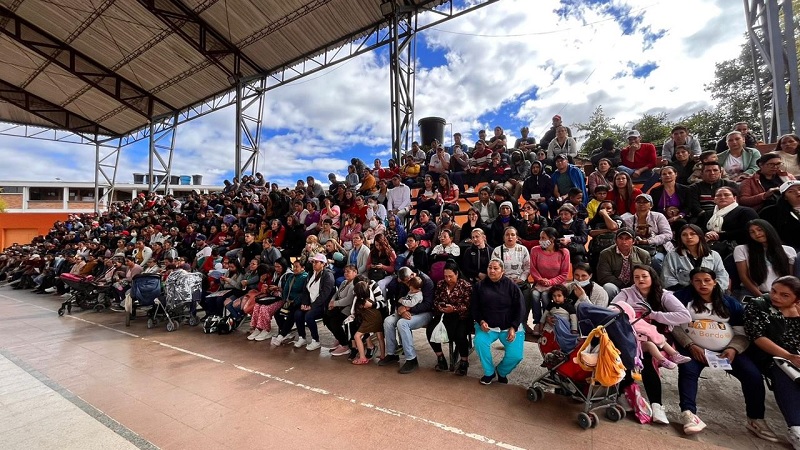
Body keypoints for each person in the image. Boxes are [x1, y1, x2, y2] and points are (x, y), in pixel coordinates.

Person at [671, 268, 760, 436]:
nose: (702, 284)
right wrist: (690, 345)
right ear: (691, 282)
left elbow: (742, 333)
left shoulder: (730, 303)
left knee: (752, 375)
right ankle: (689, 414)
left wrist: (733, 349)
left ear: (715, 281)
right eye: (697, 281)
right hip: (694, 349)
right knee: (688, 370)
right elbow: (674, 326)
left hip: (725, 352)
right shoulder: (682, 299)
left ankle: (756, 419)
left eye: (707, 280)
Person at [613, 264, 691, 425]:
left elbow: (685, 316)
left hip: (658, 337)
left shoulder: (663, 295)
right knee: (624, 351)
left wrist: (655, 315)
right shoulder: (627, 293)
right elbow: (613, 309)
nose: (640, 280)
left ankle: (657, 405)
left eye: (644, 276)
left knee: (647, 358)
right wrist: (628, 315)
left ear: (652, 277)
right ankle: (625, 393)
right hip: (631, 335)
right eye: (636, 277)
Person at [743, 276, 800, 448]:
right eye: (774, 291)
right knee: (784, 371)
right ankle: (796, 429)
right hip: (765, 355)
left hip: (795, 355)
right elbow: (757, 337)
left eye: (785, 295)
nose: (775, 297)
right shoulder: (759, 304)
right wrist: (789, 357)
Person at [472, 258, 527, 385]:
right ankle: (489, 372)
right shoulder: (479, 286)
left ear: (502, 271)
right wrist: (480, 321)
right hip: (488, 327)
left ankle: (501, 371)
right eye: (490, 268)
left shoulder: (512, 286)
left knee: (516, 356)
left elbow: (521, 308)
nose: (492, 271)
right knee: (479, 342)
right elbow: (475, 307)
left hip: (509, 327)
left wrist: (514, 327)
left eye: (495, 268)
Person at [379, 267, 434, 374]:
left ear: (412, 275)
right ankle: (392, 354)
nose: (406, 285)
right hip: (405, 310)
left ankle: (411, 359)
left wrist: (409, 309)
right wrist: (401, 309)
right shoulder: (404, 281)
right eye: (403, 282)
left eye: (407, 282)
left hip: (425, 313)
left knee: (402, 323)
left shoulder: (426, 282)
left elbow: (428, 304)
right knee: (388, 321)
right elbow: (399, 298)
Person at [426, 261, 473, 375]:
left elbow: (468, 306)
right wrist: (440, 307)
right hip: (444, 315)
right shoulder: (440, 284)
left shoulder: (465, 286)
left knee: (460, 335)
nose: (448, 279)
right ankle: (440, 357)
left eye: (450, 276)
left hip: (461, 316)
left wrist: (454, 309)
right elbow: (435, 300)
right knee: (430, 330)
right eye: (446, 276)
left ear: (457, 274)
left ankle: (464, 361)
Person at [734, 219, 796, 297]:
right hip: (752, 292)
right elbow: (744, 277)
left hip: (780, 294)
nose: (757, 234)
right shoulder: (741, 249)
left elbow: (790, 278)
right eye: (752, 232)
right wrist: (762, 297)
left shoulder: (788, 250)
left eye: (760, 230)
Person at [663, 224, 729, 292]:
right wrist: (688, 292)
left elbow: (722, 276)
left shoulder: (714, 255)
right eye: (684, 235)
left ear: (700, 236)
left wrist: (713, 291)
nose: (689, 237)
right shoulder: (672, 255)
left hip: (712, 294)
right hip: (683, 295)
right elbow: (668, 278)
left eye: (693, 234)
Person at [529, 227, 570, 333]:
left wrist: (550, 282)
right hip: (540, 283)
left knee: (545, 296)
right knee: (535, 295)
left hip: (557, 284)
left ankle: (547, 321)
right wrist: (540, 280)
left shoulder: (564, 252)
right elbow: (533, 269)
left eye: (543, 238)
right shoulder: (535, 250)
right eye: (540, 238)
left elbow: (564, 274)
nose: (540, 240)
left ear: (551, 239)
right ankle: (537, 322)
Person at [291, 253, 335, 351]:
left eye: (316, 262)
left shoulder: (328, 275)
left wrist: (312, 306)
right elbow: (306, 290)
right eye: (313, 262)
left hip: (322, 305)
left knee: (308, 316)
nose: (314, 264)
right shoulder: (311, 273)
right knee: (298, 314)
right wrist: (305, 303)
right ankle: (302, 337)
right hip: (310, 303)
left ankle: (316, 340)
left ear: (323, 264)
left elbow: (325, 295)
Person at [703, 186, 759, 260]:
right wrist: (707, 234)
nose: (722, 197)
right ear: (714, 199)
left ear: (734, 198)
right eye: (718, 195)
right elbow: (699, 228)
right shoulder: (707, 214)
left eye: (726, 195)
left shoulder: (746, 212)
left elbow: (747, 231)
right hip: (708, 244)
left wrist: (718, 235)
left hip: (737, 247)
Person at [596, 227, 652, 299]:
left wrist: (633, 286)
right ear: (615, 240)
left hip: (636, 287)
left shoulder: (643, 254)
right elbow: (604, 276)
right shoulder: (605, 254)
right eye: (621, 238)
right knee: (608, 287)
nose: (624, 242)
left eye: (627, 239)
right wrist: (622, 285)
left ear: (633, 241)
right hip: (616, 286)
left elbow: (648, 275)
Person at [271, 260, 310, 345]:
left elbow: (304, 293)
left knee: (293, 314)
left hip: (299, 302)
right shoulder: (291, 277)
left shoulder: (305, 277)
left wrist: (294, 302)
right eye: (293, 267)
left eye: (297, 267)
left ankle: (282, 335)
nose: (294, 269)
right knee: (278, 313)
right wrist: (286, 301)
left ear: (302, 268)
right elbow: (285, 290)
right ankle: (286, 332)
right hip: (289, 301)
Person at [324, 264, 358, 357]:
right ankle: (339, 337)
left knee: (334, 322)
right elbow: (337, 293)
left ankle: (345, 345)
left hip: (348, 309)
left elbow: (348, 300)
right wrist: (332, 301)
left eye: (348, 272)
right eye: (345, 271)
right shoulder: (344, 282)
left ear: (355, 273)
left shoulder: (354, 284)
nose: (346, 273)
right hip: (339, 306)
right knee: (326, 318)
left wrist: (334, 304)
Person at [351, 280, 386, 365]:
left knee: (357, 336)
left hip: (369, 320)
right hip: (378, 317)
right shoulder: (370, 298)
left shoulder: (358, 300)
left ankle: (362, 358)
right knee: (380, 337)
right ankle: (382, 356)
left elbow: (352, 312)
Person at [648, 166, 690, 236]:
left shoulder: (685, 189)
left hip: (679, 218)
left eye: (670, 173)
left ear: (676, 174)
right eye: (664, 174)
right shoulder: (655, 191)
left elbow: (688, 206)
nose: (667, 175)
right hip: (660, 218)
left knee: (681, 223)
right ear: (660, 177)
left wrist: (678, 216)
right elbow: (652, 207)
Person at [760, 180, 800, 250]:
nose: (798, 192)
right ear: (785, 197)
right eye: (791, 191)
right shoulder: (771, 213)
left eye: (799, 189)